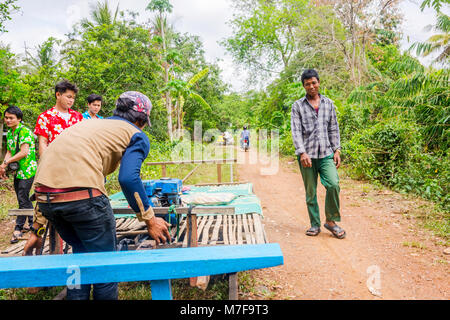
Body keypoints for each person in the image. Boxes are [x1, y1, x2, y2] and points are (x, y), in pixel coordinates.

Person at [23, 91, 171, 300]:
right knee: (105, 267)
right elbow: (128, 178)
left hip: (47, 201)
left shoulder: (84, 126)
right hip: (85, 200)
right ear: (141, 120)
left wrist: (36, 230)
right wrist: (150, 219)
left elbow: (47, 178)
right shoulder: (136, 134)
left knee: (80, 256)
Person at [290, 69, 345, 239]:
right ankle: (314, 224)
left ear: (318, 82)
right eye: (307, 84)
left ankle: (331, 221)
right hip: (307, 156)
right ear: (304, 86)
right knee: (311, 191)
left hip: (326, 154)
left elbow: (333, 128)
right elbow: (296, 131)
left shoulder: (328, 104)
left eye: (314, 82)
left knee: (333, 185)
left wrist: (337, 149)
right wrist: (302, 152)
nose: (311, 86)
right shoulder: (298, 106)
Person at [0, 106, 37, 243]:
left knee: (22, 197)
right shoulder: (10, 132)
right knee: (23, 197)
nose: (8, 120)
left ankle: (18, 228)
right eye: (6, 117)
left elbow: (24, 152)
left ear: (19, 119)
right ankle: (33, 222)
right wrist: (4, 165)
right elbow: (9, 151)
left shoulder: (24, 131)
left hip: (27, 169)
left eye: (11, 118)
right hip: (17, 170)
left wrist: (5, 162)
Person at [34, 80, 83, 157]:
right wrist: (45, 163)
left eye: (73, 98)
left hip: (75, 160)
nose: (71, 100)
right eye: (69, 97)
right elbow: (43, 142)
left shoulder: (78, 116)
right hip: (54, 160)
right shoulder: (45, 117)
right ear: (58, 95)